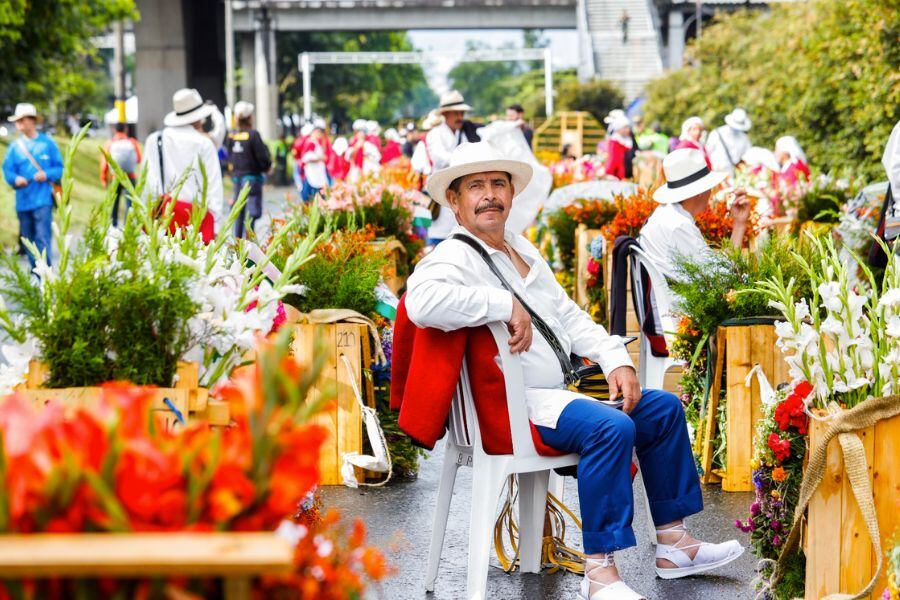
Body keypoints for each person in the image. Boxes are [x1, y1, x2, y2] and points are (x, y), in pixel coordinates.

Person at [406, 142, 744, 600]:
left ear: (511, 194)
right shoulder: (454, 256)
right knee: (610, 427)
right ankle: (599, 572)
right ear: (454, 200)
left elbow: (568, 315)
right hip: (514, 408)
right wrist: (503, 303)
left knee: (661, 408)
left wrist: (614, 358)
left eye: (498, 184)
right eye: (476, 186)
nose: (489, 195)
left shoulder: (521, 247)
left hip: (559, 396)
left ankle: (674, 545)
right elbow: (420, 302)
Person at [639, 148, 751, 281]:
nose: (711, 192)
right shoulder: (679, 226)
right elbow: (722, 277)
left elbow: (718, 268)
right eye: (710, 186)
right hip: (681, 294)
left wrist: (739, 224)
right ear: (700, 191)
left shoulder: (666, 214)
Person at [144, 88, 224, 241]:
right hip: (197, 223)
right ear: (199, 117)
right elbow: (214, 190)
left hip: (163, 221)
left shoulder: (154, 140)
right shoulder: (204, 144)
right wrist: (215, 229)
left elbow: (149, 185)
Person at [2, 103, 63, 268]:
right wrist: (15, 179)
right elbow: (7, 170)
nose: (18, 124)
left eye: (21, 120)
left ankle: (46, 275)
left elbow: (59, 169)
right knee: (28, 241)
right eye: (17, 121)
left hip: (43, 201)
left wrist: (46, 174)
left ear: (32, 120)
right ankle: (35, 273)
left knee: (42, 239)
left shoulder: (48, 144)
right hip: (23, 202)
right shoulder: (15, 147)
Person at [425, 90, 483, 246]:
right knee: (441, 236)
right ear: (445, 114)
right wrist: (465, 159)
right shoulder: (435, 134)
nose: (460, 117)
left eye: (461, 113)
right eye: (456, 113)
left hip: (462, 189)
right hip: (442, 190)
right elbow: (440, 158)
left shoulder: (464, 134)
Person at [224, 101, 272, 238]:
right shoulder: (253, 134)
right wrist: (267, 167)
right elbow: (262, 156)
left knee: (239, 210)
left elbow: (228, 156)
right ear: (250, 117)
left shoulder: (231, 136)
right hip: (252, 178)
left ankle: (238, 240)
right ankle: (249, 240)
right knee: (253, 211)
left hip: (237, 178)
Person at [100, 121, 142, 227]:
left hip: (115, 178)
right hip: (130, 177)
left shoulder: (110, 143)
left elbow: (105, 162)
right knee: (130, 204)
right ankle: (127, 227)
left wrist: (104, 179)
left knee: (113, 204)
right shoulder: (132, 142)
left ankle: (113, 227)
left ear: (114, 130)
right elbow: (139, 159)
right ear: (126, 129)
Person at [706, 108, 752, 174]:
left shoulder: (744, 139)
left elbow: (747, 156)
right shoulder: (717, 133)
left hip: (732, 172)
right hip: (716, 171)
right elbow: (707, 152)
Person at [298, 119, 331, 202]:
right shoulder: (311, 143)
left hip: (316, 173)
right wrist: (320, 158)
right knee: (309, 196)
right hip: (312, 174)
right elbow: (306, 158)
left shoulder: (315, 142)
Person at [603, 115, 634, 180]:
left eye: (628, 127)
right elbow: (614, 159)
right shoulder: (615, 141)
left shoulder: (627, 140)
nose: (628, 130)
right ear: (619, 128)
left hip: (626, 174)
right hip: (617, 175)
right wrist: (610, 172)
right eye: (625, 127)